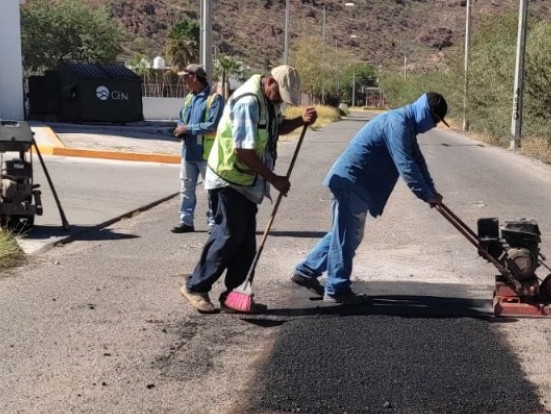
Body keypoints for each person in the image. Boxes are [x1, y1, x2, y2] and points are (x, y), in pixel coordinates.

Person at [179, 65, 318, 314]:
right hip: (228, 177)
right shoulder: (248, 102)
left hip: (247, 182)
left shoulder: (270, 102)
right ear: (270, 82)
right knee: (229, 234)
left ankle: (234, 294)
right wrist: (274, 179)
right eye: (279, 94)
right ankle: (195, 286)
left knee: (245, 242)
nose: (280, 100)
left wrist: (300, 121)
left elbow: (277, 128)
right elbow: (243, 150)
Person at [291, 92, 448, 304]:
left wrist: (432, 191)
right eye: (435, 120)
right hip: (351, 181)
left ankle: (306, 271)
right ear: (425, 112)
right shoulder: (398, 123)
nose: (435, 125)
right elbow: (406, 165)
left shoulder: (407, 126)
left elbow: (418, 162)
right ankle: (337, 289)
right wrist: (426, 195)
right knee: (347, 236)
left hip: (357, 184)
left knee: (344, 234)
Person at [171, 64, 223, 233]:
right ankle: (186, 221)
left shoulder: (214, 99)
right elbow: (181, 118)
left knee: (212, 190)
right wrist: (180, 128)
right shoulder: (189, 98)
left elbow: (213, 124)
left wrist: (188, 128)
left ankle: (214, 223)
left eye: (185, 77)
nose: (184, 81)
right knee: (186, 187)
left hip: (207, 153)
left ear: (194, 77)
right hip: (188, 151)